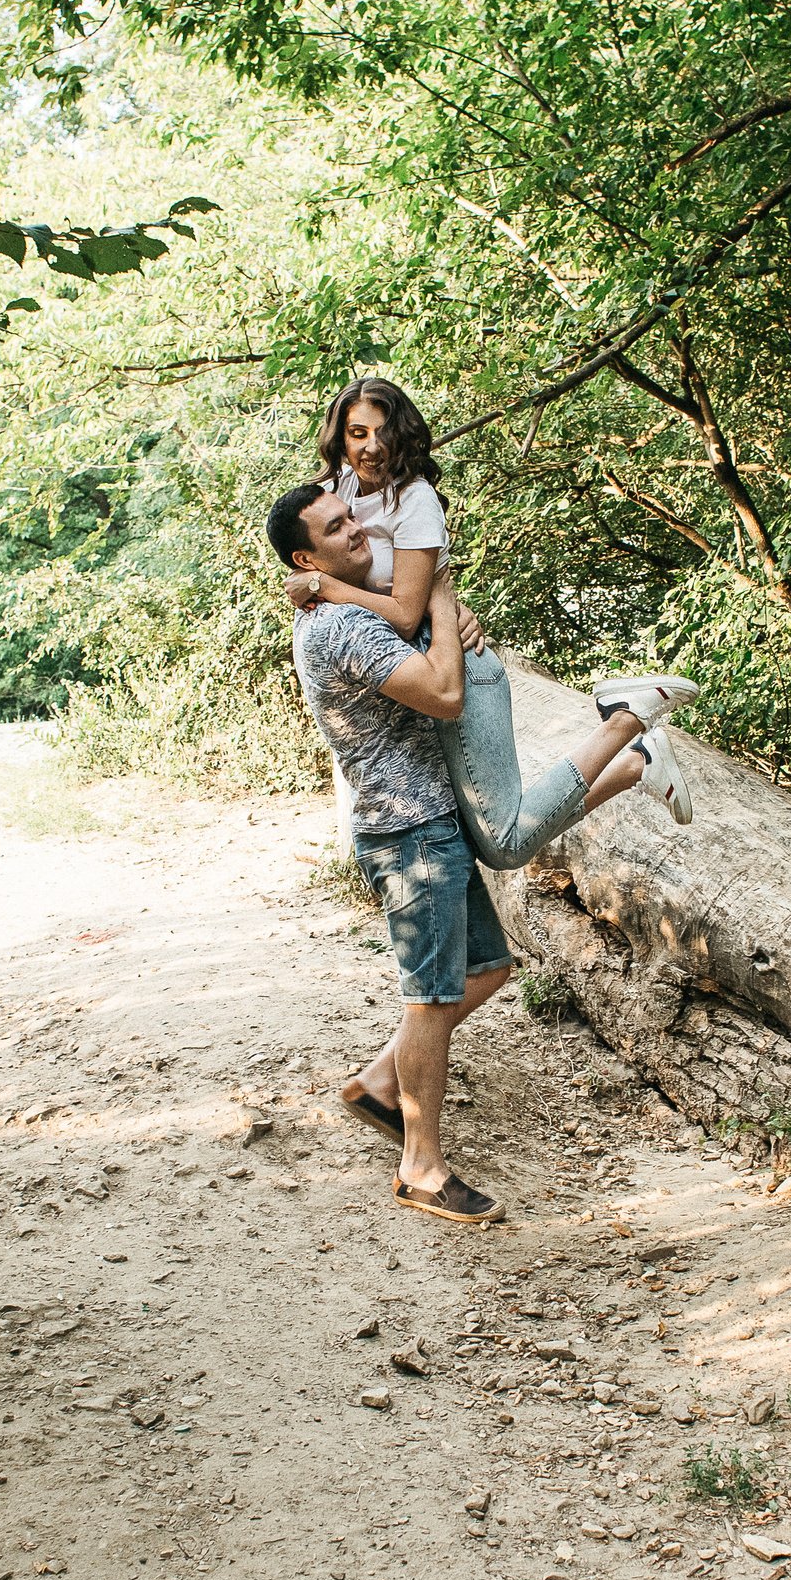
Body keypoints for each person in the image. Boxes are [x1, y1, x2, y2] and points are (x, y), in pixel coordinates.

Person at [268, 481, 697, 1221]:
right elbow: (442, 692)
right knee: (431, 997)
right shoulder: (338, 625)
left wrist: (443, 603)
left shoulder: (348, 600)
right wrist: (437, 585)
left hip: (426, 817)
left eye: (352, 516)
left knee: (488, 969)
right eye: (335, 529)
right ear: (307, 554)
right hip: (410, 835)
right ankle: (420, 1168)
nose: (355, 531)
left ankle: (378, 1084)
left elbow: (426, 632)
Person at [285, 379, 701, 850]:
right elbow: (299, 551)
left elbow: (403, 616)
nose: (372, 447)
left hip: (456, 660)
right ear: (340, 436)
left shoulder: (415, 499)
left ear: (402, 434)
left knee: (504, 843)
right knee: (494, 842)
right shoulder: (332, 490)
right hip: (416, 668)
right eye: (358, 433)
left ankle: (629, 719)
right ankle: (636, 764)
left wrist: (328, 586)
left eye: (384, 432)